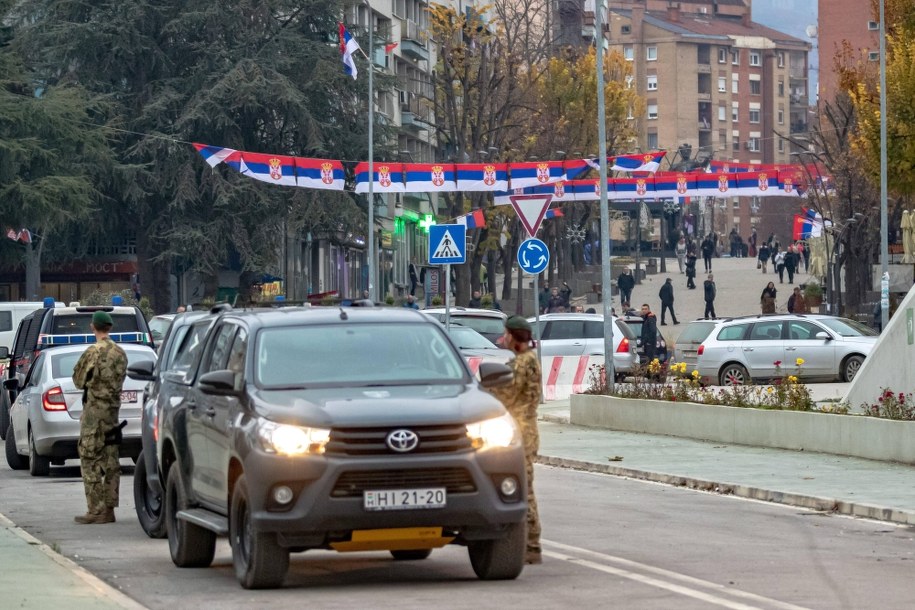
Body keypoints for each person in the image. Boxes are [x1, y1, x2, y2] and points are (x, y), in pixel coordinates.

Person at [485, 316, 542, 565]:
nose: (504, 338)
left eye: (506, 333)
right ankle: (530, 544)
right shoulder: (526, 360)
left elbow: (506, 395)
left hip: (520, 431)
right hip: (525, 429)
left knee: (523, 489)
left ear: (514, 336)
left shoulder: (521, 364)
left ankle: (531, 545)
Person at [72, 311, 128, 524]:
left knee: (89, 457)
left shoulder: (93, 352)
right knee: (111, 460)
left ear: (93, 327)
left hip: (94, 414)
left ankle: (96, 509)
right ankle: (110, 508)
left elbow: (78, 380)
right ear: (110, 328)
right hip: (113, 413)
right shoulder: (121, 353)